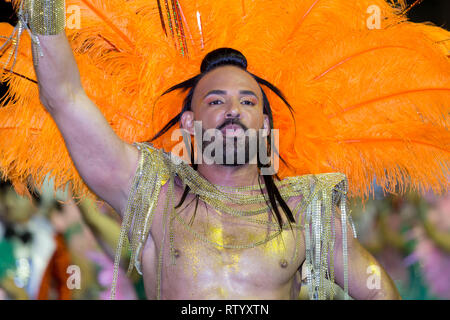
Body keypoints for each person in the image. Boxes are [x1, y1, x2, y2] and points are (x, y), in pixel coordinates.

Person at [1, 0, 448, 300]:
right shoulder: (154, 195)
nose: (233, 110)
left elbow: (374, 287)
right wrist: (43, 9)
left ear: (266, 124)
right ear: (191, 123)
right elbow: (64, 96)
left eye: (248, 102)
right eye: (216, 101)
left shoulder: (304, 209)